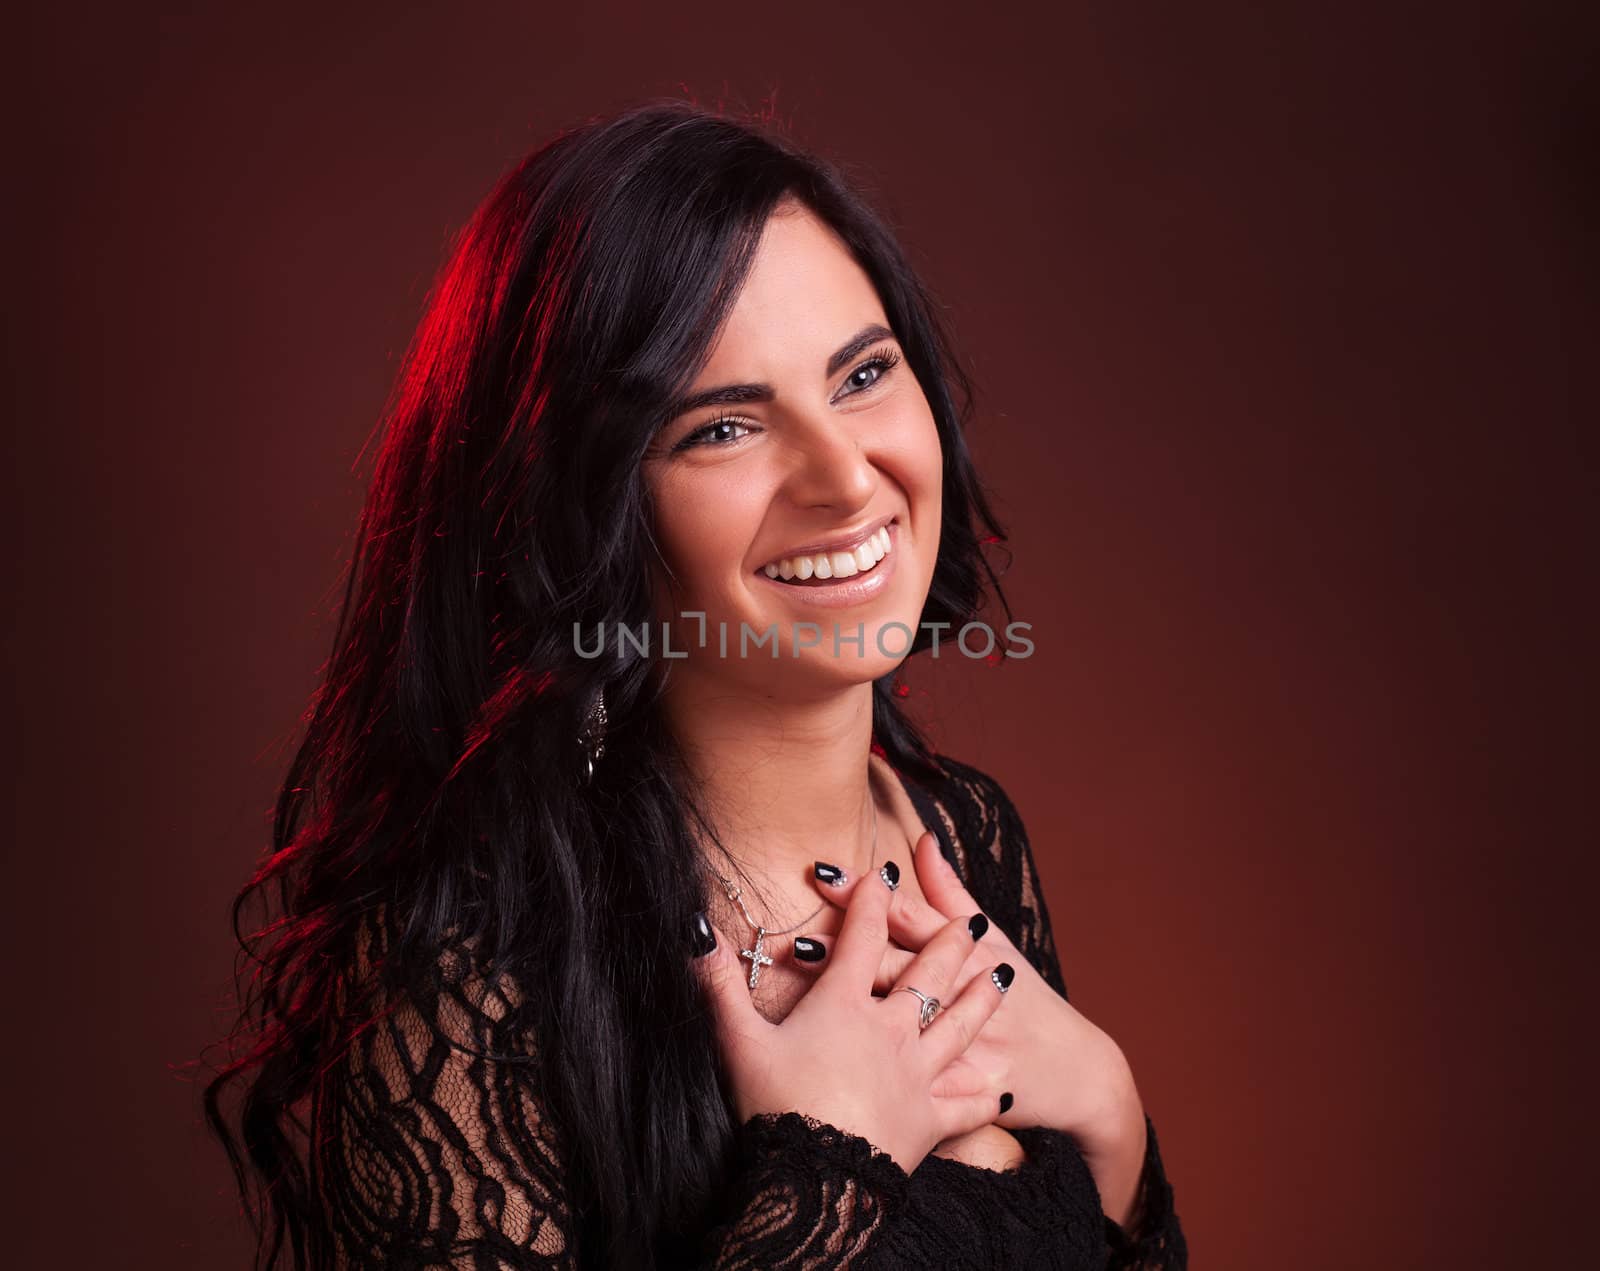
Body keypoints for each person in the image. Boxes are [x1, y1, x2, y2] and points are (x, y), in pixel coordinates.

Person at [204, 98, 1187, 1269]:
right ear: (580, 509)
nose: (841, 477)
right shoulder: (467, 985)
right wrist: (826, 1159)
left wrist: (1114, 1123)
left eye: (864, 372)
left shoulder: (967, 837)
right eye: (722, 428)